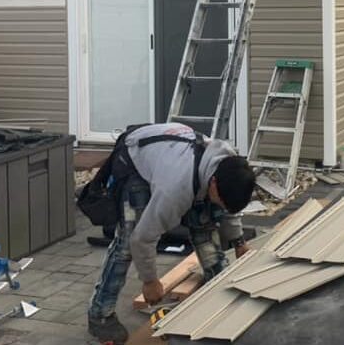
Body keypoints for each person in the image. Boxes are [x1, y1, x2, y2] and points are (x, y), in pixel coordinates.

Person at [87, 123, 255, 344]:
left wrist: (239, 241)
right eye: (222, 199)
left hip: (175, 156)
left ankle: (217, 282)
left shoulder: (231, 166)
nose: (224, 207)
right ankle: (100, 314)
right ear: (213, 184)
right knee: (127, 243)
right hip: (135, 157)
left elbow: (228, 207)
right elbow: (142, 239)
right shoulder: (175, 190)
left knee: (206, 218)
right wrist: (150, 281)